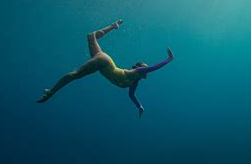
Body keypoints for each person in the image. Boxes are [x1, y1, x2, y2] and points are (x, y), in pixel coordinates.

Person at [36, 19, 174, 118]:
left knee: (91, 36)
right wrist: (169, 59)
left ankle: (113, 26)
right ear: (139, 68)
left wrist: (139, 107)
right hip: (105, 62)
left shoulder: (134, 82)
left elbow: (131, 95)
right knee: (75, 75)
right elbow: (155, 67)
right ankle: (51, 91)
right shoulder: (137, 72)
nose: (147, 70)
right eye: (145, 68)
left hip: (102, 64)